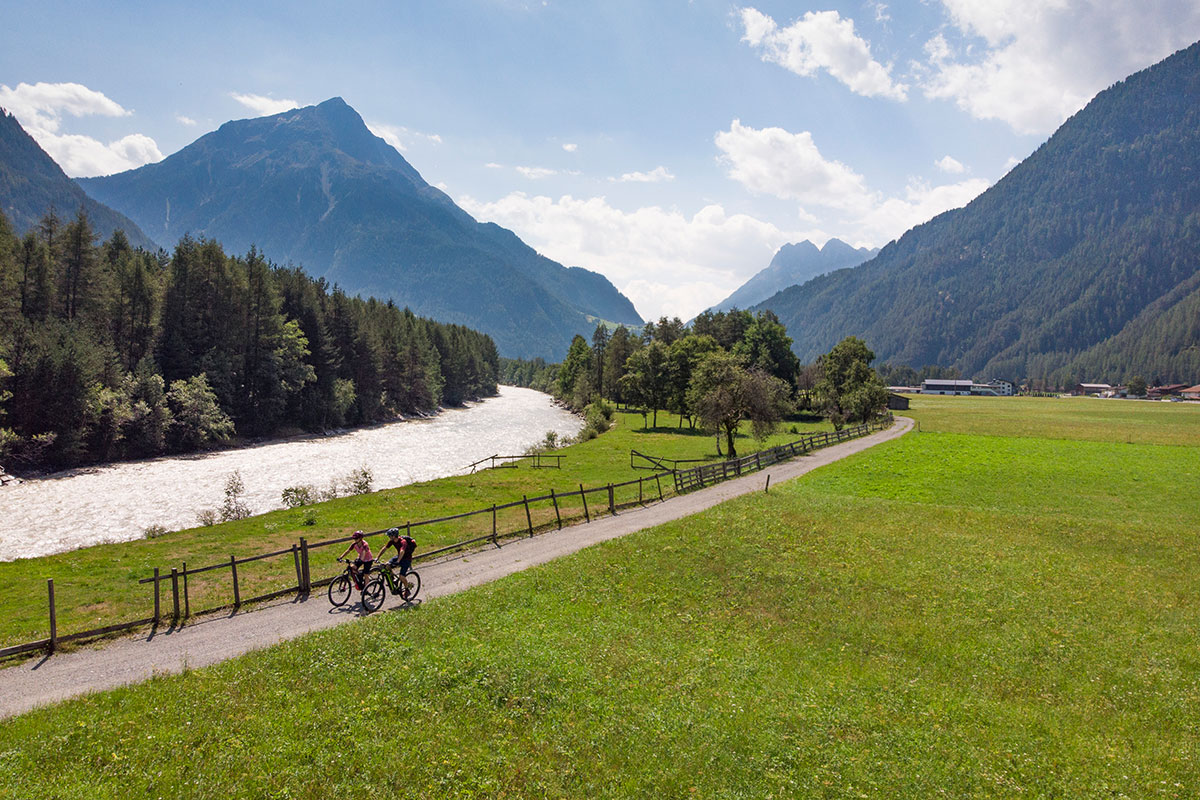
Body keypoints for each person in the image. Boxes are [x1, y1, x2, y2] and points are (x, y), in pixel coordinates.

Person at [379, 526, 417, 595]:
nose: (389, 537)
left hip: (406, 559)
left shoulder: (403, 541)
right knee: (387, 565)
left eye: (390, 536)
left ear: (394, 536)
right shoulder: (392, 541)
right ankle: (394, 580)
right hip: (399, 557)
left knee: (401, 576)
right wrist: (377, 557)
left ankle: (407, 589)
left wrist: (398, 561)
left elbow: (402, 551)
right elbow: (385, 548)